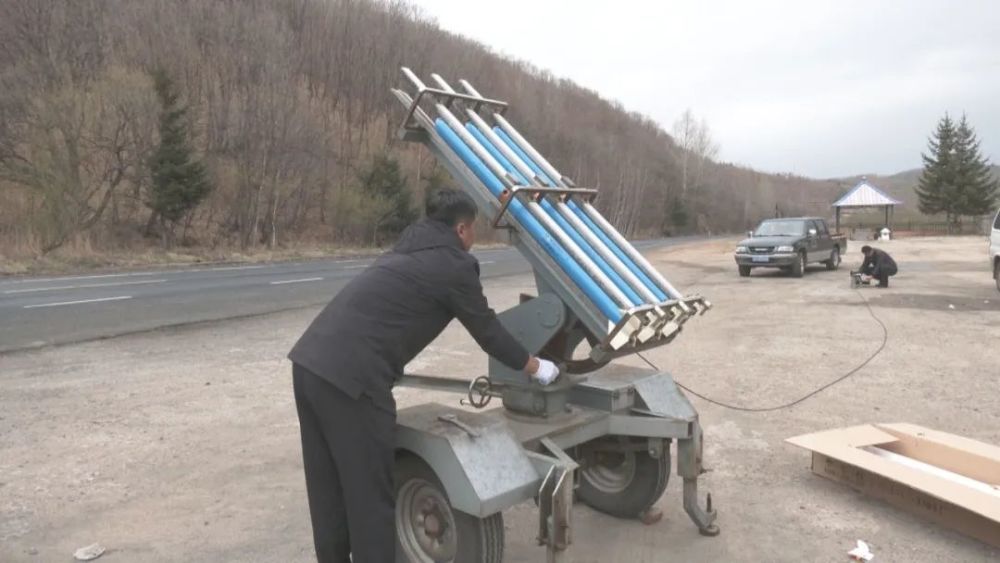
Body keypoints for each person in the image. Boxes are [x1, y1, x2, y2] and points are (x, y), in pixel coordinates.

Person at [287, 188, 560, 563]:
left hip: (308, 366)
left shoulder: (404, 253)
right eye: (474, 230)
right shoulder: (454, 265)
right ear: (462, 229)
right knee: (370, 498)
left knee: (328, 491)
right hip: (354, 382)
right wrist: (537, 366)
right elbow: (488, 332)